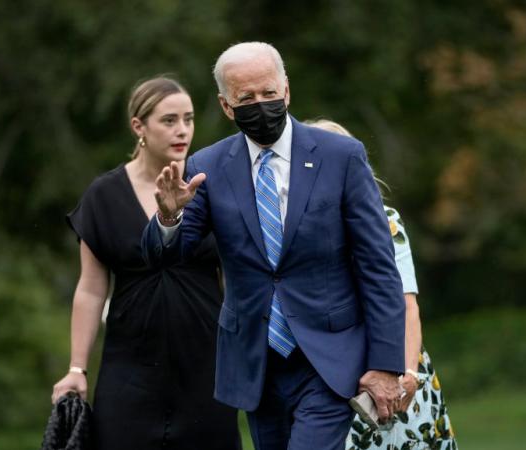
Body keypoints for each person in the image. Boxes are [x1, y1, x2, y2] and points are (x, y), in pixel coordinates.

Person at [141, 42, 407, 450]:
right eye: (246, 98)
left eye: (267, 93)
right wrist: (168, 218)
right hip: (257, 364)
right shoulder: (206, 168)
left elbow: (378, 267)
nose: (260, 104)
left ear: (286, 91)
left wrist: (386, 365)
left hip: (330, 360)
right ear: (226, 106)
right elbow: (164, 257)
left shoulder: (341, 157)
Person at [51, 76, 240, 450]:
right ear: (139, 126)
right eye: (169, 120)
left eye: (188, 119)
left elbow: (235, 279)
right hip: (130, 368)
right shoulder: (104, 195)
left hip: (206, 364)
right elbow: (90, 289)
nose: (182, 130)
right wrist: (77, 368)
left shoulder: (211, 186)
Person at [305, 119, 458, 450]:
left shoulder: (383, 220)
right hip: (331, 373)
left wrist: (406, 371)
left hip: (394, 367)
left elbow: (406, 303)